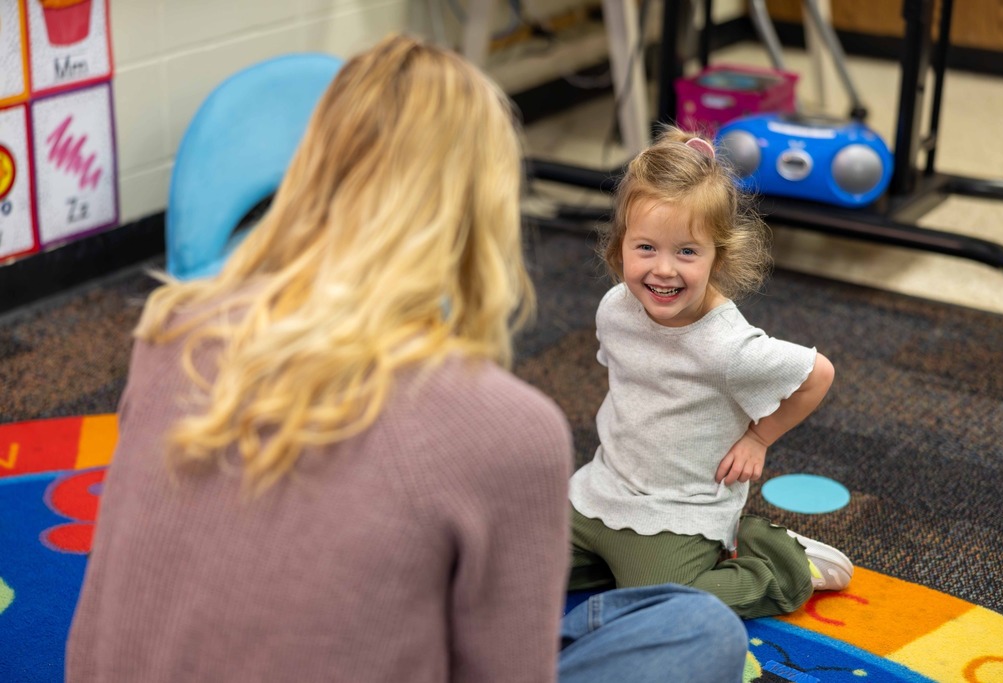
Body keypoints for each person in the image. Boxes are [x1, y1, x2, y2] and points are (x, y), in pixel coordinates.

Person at [65, 36, 747, 682]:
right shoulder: (505, 426)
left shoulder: (172, 328)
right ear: (482, 207)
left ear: (312, 169)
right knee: (698, 628)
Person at [568, 128, 854, 620]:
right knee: (511, 562)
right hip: (601, 489)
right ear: (619, 248)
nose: (663, 270)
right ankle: (622, 568)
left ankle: (781, 563)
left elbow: (818, 374)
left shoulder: (729, 347)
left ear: (717, 256)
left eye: (686, 252)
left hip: (678, 513)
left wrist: (758, 439)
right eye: (645, 248)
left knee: (655, 611)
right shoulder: (615, 308)